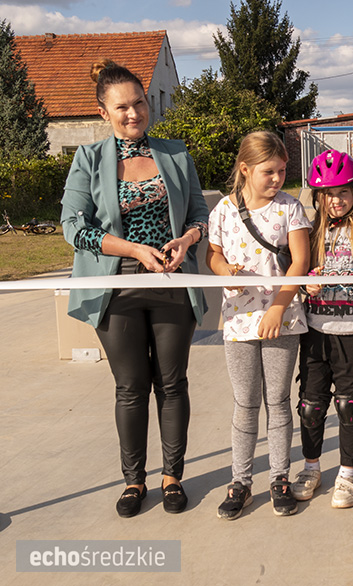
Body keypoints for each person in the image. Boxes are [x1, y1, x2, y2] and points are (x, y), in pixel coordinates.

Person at [61, 60, 208, 518]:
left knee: (172, 383)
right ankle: (133, 481)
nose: (133, 113)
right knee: (130, 387)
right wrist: (133, 250)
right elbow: (73, 228)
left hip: (171, 283)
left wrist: (188, 239)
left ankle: (172, 477)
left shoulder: (176, 154)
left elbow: (200, 215)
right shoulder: (88, 160)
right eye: (122, 107)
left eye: (139, 103)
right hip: (116, 287)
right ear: (103, 111)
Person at [207, 131, 311, 520]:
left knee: (278, 401)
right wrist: (224, 270)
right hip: (238, 319)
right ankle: (241, 481)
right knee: (246, 402)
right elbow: (213, 254)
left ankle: (279, 477)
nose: (278, 179)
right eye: (269, 171)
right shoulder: (223, 210)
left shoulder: (290, 208)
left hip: (281, 318)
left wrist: (278, 309)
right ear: (245, 169)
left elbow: (300, 262)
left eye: (282, 171)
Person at [290, 150, 353, 509]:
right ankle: (311, 467)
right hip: (315, 334)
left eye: (343, 192)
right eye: (329, 194)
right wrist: (305, 286)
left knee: (349, 406)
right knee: (310, 407)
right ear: (318, 197)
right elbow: (295, 277)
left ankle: (348, 474)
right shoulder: (309, 233)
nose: (336, 200)